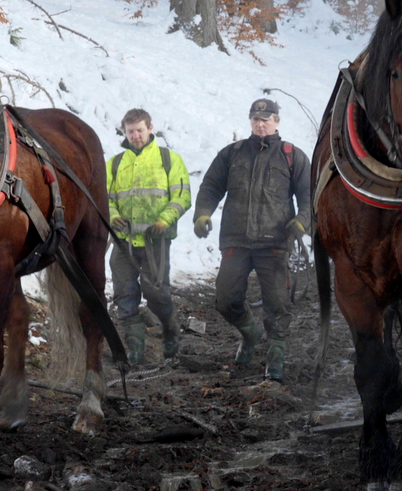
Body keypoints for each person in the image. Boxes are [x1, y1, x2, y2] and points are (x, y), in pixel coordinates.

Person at [193, 99, 311, 381]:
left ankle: (276, 356)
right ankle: (250, 333)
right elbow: (210, 186)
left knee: (278, 303)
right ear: (250, 121)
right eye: (256, 119)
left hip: (274, 242)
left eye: (266, 119)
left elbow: (308, 196)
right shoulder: (232, 154)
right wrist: (202, 214)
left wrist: (301, 222)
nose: (261, 124)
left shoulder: (292, 156)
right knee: (225, 299)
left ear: (277, 121)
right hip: (237, 240)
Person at [107, 109, 191, 366]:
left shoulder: (169, 159)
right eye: (130, 131)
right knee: (125, 294)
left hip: (156, 241)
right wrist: (112, 216)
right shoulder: (115, 163)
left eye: (139, 130)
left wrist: (164, 220)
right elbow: (105, 198)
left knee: (156, 294)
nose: (135, 136)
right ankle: (135, 351)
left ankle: (169, 327)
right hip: (124, 242)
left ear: (150, 128)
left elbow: (183, 196)